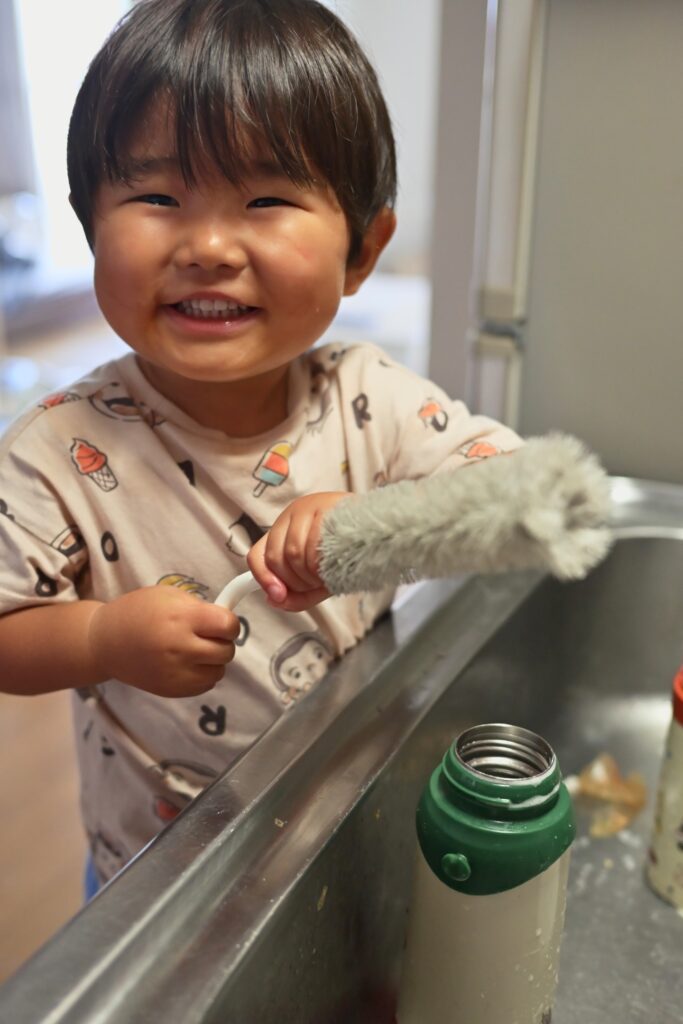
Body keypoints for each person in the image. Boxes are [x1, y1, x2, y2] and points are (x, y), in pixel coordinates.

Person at [0, 0, 521, 892]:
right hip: (152, 877)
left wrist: (372, 520)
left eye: (266, 200)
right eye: (156, 197)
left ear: (362, 250)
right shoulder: (56, 447)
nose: (206, 246)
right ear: (90, 224)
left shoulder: (369, 395)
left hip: (353, 820)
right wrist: (99, 640)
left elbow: (509, 495)